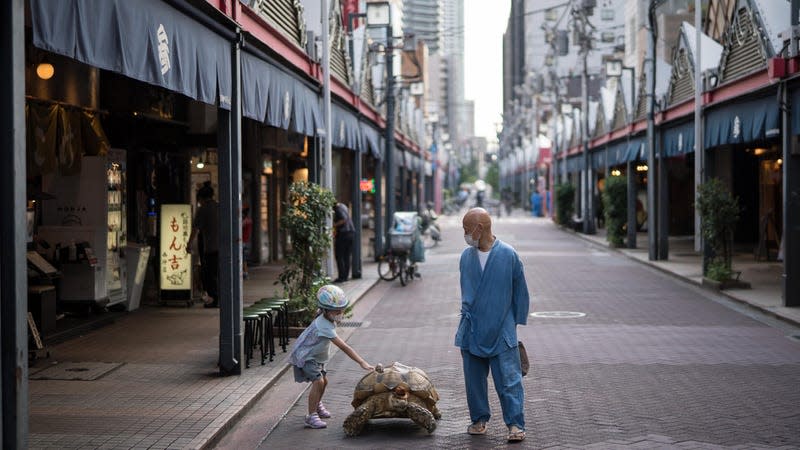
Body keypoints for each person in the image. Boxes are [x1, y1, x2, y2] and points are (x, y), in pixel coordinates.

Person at [456, 207, 529, 442]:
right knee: (473, 380)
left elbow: (520, 291)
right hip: (472, 326)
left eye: (467, 229)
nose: (465, 234)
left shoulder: (508, 254)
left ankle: (515, 424)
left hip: (501, 328)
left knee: (509, 379)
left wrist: (513, 322)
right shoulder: (466, 257)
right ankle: (479, 419)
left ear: (479, 228)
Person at [288, 285, 373, 429]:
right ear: (326, 310)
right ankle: (311, 416)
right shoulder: (324, 325)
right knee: (319, 382)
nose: (340, 312)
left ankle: (316, 404)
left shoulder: (326, 318)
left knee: (324, 381)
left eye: (342, 309)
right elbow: (344, 347)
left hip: (317, 358)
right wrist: (361, 362)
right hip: (308, 357)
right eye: (336, 310)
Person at [188, 182, 219, 308]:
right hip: (223, 247)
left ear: (200, 198)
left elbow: (195, 229)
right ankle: (220, 299)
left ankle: (213, 300)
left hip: (211, 248)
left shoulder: (203, 209)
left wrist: (188, 244)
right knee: (219, 274)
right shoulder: (219, 207)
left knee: (210, 276)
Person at [332, 201, 355, 283]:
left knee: (339, 256)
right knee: (347, 256)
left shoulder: (337, 209)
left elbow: (343, 220)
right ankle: (345, 276)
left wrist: (334, 225)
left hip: (343, 234)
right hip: (351, 233)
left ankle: (341, 277)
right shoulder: (343, 206)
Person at [241, 206, 253, 279]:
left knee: (243, 258)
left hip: (243, 241)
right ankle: (245, 272)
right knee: (243, 257)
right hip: (245, 240)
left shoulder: (245, 221)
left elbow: (239, 226)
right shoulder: (249, 220)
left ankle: (245, 272)